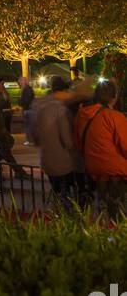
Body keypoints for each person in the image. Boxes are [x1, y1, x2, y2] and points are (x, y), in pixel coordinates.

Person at [74, 79, 127, 217]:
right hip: (115, 171)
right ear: (114, 97)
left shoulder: (81, 114)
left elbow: (78, 142)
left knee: (103, 204)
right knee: (118, 207)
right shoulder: (115, 116)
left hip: (93, 169)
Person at [30, 75, 83, 205]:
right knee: (67, 188)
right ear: (62, 91)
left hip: (45, 158)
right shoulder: (60, 110)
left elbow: (33, 135)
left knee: (56, 187)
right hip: (62, 160)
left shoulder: (38, 105)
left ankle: (58, 206)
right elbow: (67, 140)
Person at [18, 75, 35, 144]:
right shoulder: (27, 89)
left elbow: (27, 100)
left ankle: (30, 140)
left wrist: (21, 102)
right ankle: (30, 140)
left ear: (23, 81)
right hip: (28, 109)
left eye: (20, 81)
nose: (19, 83)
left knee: (28, 126)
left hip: (28, 109)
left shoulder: (27, 89)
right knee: (28, 125)